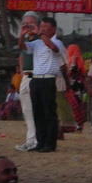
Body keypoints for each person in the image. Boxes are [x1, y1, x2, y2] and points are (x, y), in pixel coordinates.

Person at [18, 17, 65, 153]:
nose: (42, 28)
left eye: (45, 26)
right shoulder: (37, 43)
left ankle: (50, 143)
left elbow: (54, 48)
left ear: (53, 29)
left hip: (48, 79)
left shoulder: (57, 42)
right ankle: (40, 142)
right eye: (41, 26)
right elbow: (23, 47)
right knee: (37, 113)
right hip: (36, 79)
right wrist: (22, 35)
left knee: (49, 113)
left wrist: (40, 34)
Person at [15, 11, 41, 152]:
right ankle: (30, 139)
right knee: (27, 110)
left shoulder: (41, 40)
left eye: (30, 23)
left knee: (36, 110)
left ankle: (36, 139)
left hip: (37, 77)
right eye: (25, 23)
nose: (28, 26)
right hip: (26, 76)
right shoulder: (26, 41)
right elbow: (21, 53)